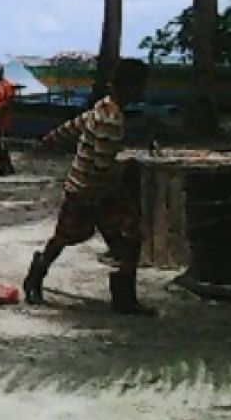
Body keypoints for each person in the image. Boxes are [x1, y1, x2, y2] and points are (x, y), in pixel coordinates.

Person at [23, 58, 153, 315]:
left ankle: (122, 298)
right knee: (81, 237)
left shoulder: (101, 107)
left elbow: (72, 127)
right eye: (140, 86)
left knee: (112, 240)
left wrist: (47, 140)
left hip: (90, 189)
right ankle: (35, 278)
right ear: (130, 87)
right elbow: (103, 165)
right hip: (90, 191)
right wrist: (130, 166)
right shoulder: (112, 119)